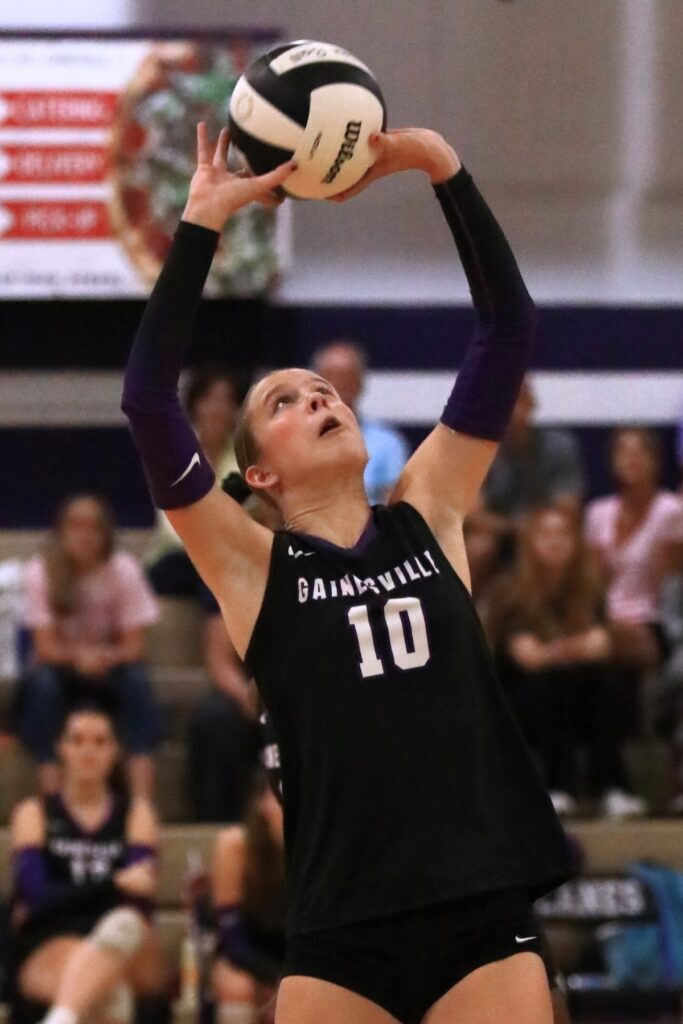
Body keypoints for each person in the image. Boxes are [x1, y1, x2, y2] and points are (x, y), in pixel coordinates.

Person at [121, 122, 573, 1024]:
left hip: (477, 913)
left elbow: (507, 326)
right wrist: (202, 227)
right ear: (259, 474)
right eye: (282, 402)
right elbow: (145, 400)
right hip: (339, 932)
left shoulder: (429, 511)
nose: (317, 398)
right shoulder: (250, 566)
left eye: (321, 390)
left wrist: (444, 168)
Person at [10, 704, 168, 1024]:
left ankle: (62, 1016)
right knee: (106, 988)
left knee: (124, 926)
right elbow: (37, 899)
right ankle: (64, 1014)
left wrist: (74, 894)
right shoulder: (34, 814)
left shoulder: (137, 815)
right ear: (61, 748)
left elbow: (139, 900)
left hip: (128, 938)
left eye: (99, 741)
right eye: (77, 740)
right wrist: (114, 883)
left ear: (115, 751)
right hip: (54, 936)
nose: (88, 750)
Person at [487, 506, 646, 819]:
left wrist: (563, 651)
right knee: (554, 681)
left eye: (562, 534)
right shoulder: (510, 592)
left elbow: (600, 645)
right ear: (530, 543)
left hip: (579, 692)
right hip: (522, 696)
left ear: (576, 542)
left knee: (602, 682)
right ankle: (556, 786)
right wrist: (572, 649)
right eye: (546, 534)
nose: (555, 542)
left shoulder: (589, 587)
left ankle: (612, 788)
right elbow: (527, 657)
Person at [20, 494, 161, 798]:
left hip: (110, 668)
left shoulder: (124, 570)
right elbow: (44, 648)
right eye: (76, 526)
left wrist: (102, 658)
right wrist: (79, 658)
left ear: (106, 533)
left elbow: (136, 646)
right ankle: (53, 803)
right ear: (61, 532)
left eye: (93, 527)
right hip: (60, 671)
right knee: (43, 688)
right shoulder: (41, 572)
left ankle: (141, 803)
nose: (84, 535)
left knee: (137, 682)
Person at [585, 427, 683, 671]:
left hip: (654, 621)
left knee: (604, 643)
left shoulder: (671, 511)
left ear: (656, 460)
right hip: (605, 619)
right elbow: (594, 582)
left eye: (640, 452)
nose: (632, 459)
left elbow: (669, 585)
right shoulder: (598, 512)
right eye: (624, 452)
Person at [146, 367, 241, 598]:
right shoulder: (173, 453)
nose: (218, 409)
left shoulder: (244, 457)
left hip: (229, 553)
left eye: (226, 401)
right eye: (210, 400)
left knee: (225, 574)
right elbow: (171, 524)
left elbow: (247, 516)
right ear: (195, 405)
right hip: (178, 554)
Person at [211, 771, 286, 1024]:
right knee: (236, 986)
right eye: (279, 797)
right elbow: (233, 941)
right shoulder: (236, 846)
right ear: (261, 803)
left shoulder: (322, 849)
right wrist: (275, 979)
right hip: (249, 954)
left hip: (302, 958)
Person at [311, 341, 409, 504]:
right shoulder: (296, 441)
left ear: (361, 383)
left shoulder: (388, 443)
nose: (337, 386)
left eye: (346, 377)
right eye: (330, 378)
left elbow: (395, 508)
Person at [483, 376, 585, 524]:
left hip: (542, 530)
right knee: (478, 541)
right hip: (498, 536)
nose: (509, 411)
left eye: (517, 401)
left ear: (531, 404)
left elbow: (567, 509)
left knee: (556, 530)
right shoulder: (476, 448)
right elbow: (470, 513)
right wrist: (514, 529)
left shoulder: (559, 446)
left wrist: (527, 529)